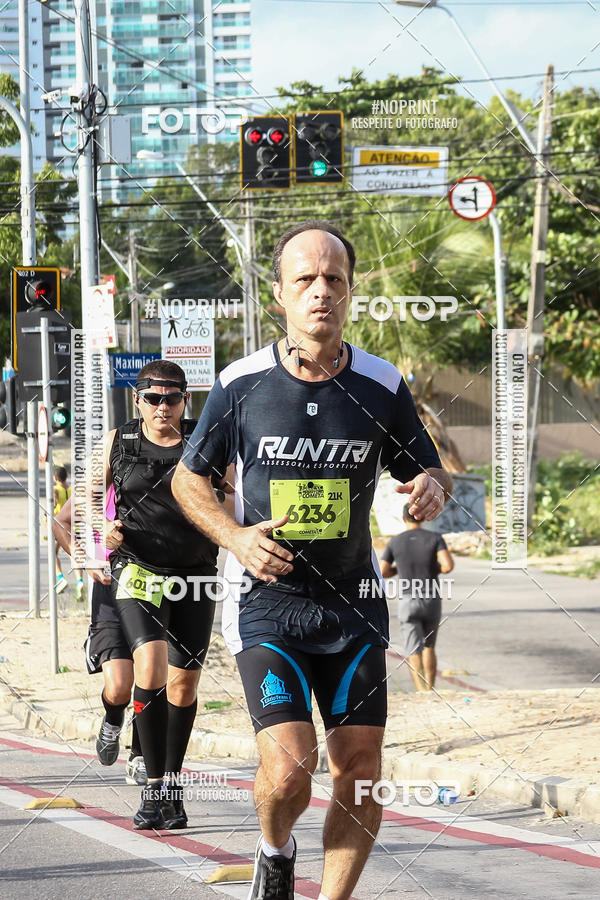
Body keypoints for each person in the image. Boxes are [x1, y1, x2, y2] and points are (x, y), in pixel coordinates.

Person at [172, 221, 453, 900]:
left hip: (354, 604)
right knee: (291, 768)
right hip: (267, 604)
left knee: (359, 767)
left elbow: (426, 473)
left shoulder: (382, 385)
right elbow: (189, 480)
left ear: (351, 291)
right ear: (280, 295)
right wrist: (235, 538)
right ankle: (275, 848)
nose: (321, 290)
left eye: (334, 278)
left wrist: (431, 488)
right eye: (305, 279)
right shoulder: (240, 383)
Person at [97, 359, 222, 831]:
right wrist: (100, 534)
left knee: (184, 685)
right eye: (153, 398)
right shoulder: (120, 441)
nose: (162, 407)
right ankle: (151, 790)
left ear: (186, 400)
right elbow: (88, 502)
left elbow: (230, 501)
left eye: (172, 398)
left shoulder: (204, 440)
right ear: (138, 400)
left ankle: (172, 784)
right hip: (138, 570)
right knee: (148, 665)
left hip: (195, 574)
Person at [52, 490, 147, 785]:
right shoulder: (104, 477)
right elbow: (60, 522)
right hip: (111, 592)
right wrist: (86, 559)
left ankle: (141, 753)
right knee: (119, 687)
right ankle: (113, 718)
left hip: (158, 591)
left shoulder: (172, 466)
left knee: (153, 679)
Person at [379, 504, 454, 692]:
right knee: (429, 646)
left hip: (407, 599)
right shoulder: (435, 538)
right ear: (421, 517)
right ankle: (429, 690)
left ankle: (420, 690)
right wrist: (432, 567)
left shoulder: (395, 542)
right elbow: (447, 566)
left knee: (412, 648)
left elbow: (383, 570)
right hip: (430, 598)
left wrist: (399, 569)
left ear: (404, 519)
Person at [53, 465, 83, 600]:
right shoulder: (72, 490)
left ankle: (60, 578)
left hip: (60, 526)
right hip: (74, 527)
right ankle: (79, 582)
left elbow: (53, 505)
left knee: (53, 553)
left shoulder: (55, 490)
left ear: (55, 478)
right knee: (73, 554)